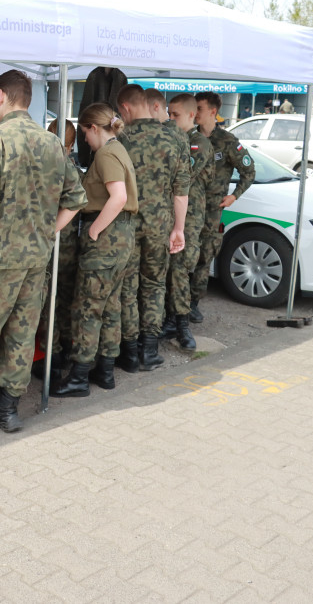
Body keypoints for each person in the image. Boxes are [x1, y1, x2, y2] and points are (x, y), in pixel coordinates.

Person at [0, 70, 87, 440]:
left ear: (0, 95)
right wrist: (46, 231)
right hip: (35, 260)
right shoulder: (52, 143)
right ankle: (7, 411)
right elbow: (76, 200)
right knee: (22, 337)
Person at [51, 103, 137, 397]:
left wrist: (95, 229)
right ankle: (105, 370)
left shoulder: (107, 154)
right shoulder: (119, 150)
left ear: (93, 128)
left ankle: (78, 377)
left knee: (87, 308)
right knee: (110, 307)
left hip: (107, 238)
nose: (84, 141)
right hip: (121, 239)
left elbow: (118, 196)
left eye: (85, 133)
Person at [111, 84, 190, 373]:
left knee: (128, 288)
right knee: (155, 286)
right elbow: (181, 190)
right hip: (161, 224)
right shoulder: (176, 137)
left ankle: (129, 353)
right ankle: (149, 350)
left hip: (126, 224)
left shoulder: (120, 138)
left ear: (127, 108)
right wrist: (178, 228)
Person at [191, 92, 256, 323]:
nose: (195, 113)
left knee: (204, 254)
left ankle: (193, 303)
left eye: (199, 108)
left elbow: (249, 171)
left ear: (212, 111)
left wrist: (234, 196)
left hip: (212, 209)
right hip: (188, 207)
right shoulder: (188, 137)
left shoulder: (227, 141)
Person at [159, 94, 214, 350]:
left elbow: (179, 175)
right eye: (168, 114)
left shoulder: (198, 144)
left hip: (189, 218)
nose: (170, 119)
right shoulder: (173, 140)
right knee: (167, 270)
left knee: (180, 269)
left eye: (175, 115)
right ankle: (169, 319)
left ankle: (182, 324)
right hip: (168, 214)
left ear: (192, 116)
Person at [38, 119, 80, 381]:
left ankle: (49, 360)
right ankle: (63, 352)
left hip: (49, 243)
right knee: (64, 301)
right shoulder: (74, 168)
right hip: (69, 244)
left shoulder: (45, 167)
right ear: (72, 143)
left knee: (47, 305)